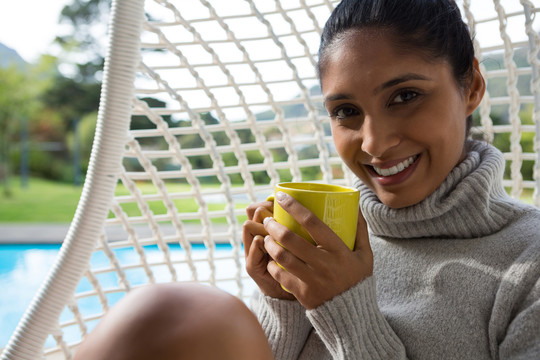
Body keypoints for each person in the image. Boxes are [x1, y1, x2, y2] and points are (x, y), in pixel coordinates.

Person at [74, 0, 540, 359]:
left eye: (405, 96)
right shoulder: (328, 239)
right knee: (165, 313)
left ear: (472, 86)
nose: (374, 143)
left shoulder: (528, 263)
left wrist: (346, 309)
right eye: (346, 112)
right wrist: (285, 302)